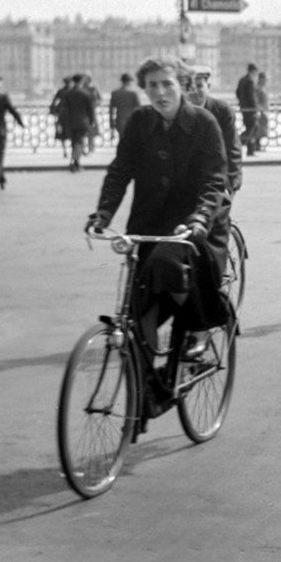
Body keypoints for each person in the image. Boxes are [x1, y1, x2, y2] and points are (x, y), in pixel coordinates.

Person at [87, 55, 232, 375]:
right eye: (152, 85)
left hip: (193, 226)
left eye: (167, 83)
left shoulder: (205, 123)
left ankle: (197, 326)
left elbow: (213, 180)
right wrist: (104, 212)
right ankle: (145, 392)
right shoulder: (140, 122)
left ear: (182, 85)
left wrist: (200, 218)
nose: (160, 92)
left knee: (166, 266)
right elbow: (120, 170)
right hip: (149, 224)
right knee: (139, 309)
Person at [187, 66, 244, 194]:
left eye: (200, 86)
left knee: (217, 211)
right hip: (188, 178)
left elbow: (232, 145)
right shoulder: (178, 112)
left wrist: (233, 176)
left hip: (217, 175)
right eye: (191, 88)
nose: (195, 91)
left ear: (209, 86)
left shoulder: (223, 111)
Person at [57, 73, 96, 172]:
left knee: (74, 143)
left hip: (70, 122)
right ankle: (73, 161)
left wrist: (60, 122)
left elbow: (63, 109)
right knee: (79, 142)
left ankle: (76, 164)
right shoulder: (86, 94)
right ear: (81, 81)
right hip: (82, 122)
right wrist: (92, 121)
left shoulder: (68, 94)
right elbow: (90, 110)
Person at [109, 73, 142, 141]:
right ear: (128, 81)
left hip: (120, 120)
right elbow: (139, 108)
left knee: (122, 139)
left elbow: (111, 110)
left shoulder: (115, 93)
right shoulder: (133, 93)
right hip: (131, 120)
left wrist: (112, 126)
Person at [236, 62, 260, 155]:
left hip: (243, 108)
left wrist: (242, 102)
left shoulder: (242, 80)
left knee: (250, 127)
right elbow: (251, 97)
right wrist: (256, 109)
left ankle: (250, 149)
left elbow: (237, 92)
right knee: (253, 128)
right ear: (253, 71)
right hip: (250, 109)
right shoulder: (250, 81)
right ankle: (239, 141)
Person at [82, 73, 103, 154]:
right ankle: (82, 148)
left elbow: (99, 99)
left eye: (86, 79)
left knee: (91, 130)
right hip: (83, 112)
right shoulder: (81, 89)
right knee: (83, 131)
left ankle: (91, 147)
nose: (85, 81)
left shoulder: (93, 88)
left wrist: (95, 104)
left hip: (92, 111)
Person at [251, 70, 270, 152]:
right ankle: (256, 145)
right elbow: (256, 100)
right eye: (265, 79)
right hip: (260, 112)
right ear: (261, 79)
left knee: (262, 130)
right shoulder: (258, 88)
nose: (266, 81)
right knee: (259, 130)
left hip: (264, 111)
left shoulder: (262, 88)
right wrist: (260, 110)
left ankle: (257, 145)